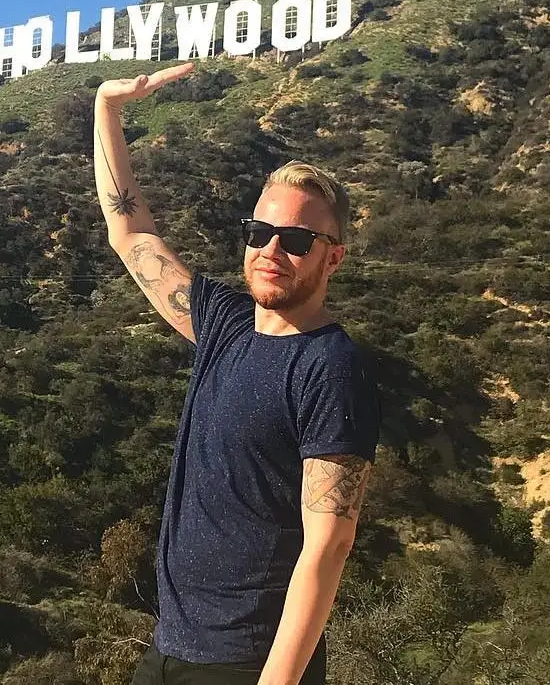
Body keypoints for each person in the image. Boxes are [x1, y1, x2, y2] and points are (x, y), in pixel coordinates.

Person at [93, 63, 380, 685]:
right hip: (170, 647)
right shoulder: (222, 324)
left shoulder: (331, 366)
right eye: (260, 232)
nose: (272, 251)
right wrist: (107, 110)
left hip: (249, 662)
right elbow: (130, 230)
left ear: (333, 256)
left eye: (297, 240)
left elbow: (328, 544)